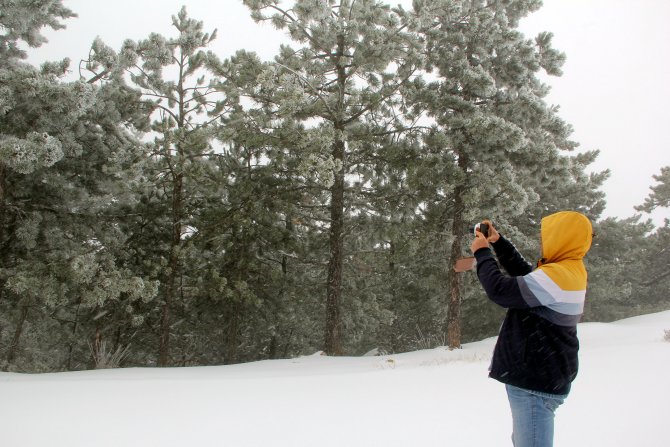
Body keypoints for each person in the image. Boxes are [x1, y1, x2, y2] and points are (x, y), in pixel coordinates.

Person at [470, 211, 593, 447]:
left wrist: (482, 252)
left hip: (535, 384)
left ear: (562, 238)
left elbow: (500, 290)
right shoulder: (568, 270)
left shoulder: (558, 276)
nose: (543, 241)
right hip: (541, 378)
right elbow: (527, 276)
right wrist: (498, 242)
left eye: (548, 236)